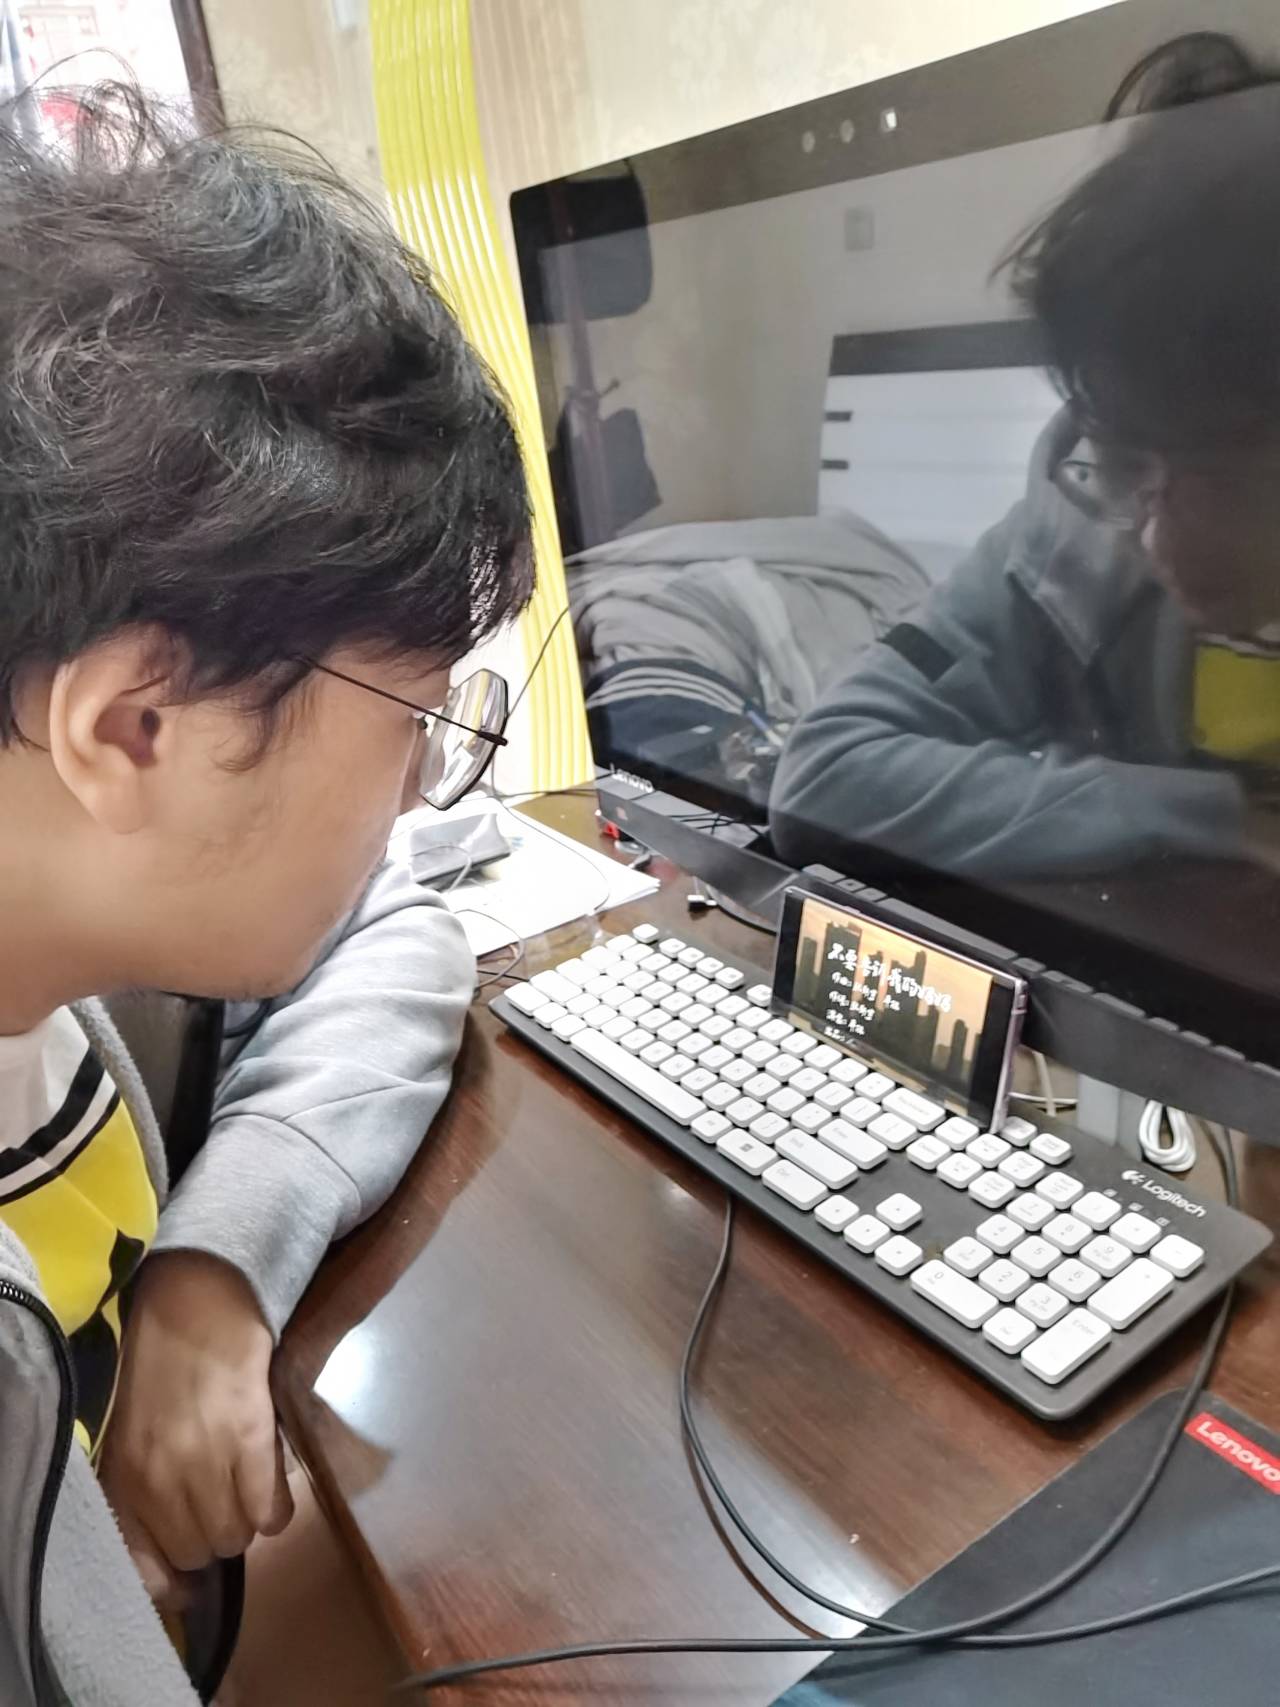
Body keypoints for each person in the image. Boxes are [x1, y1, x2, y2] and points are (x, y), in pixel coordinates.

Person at [0, 87, 534, 1705]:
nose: (417, 792)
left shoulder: (64, 921)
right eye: (411, 723)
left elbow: (394, 917)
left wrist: (212, 1262)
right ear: (136, 726)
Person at [771, 34, 1280, 883]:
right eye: (1125, 459)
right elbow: (825, 774)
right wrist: (1205, 816)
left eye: (1220, 473)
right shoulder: (1066, 540)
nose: (1158, 539)